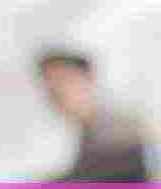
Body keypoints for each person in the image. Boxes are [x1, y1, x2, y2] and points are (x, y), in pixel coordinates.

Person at [37, 48, 150, 181]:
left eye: (62, 81)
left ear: (88, 79)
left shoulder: (119, 129)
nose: (56, 92)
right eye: (49, 86)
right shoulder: (89, 130)